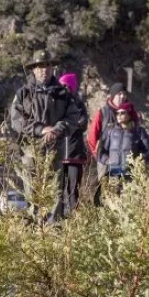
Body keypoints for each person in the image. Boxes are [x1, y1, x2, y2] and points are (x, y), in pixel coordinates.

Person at [9, 50, 81, 220]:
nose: (44, 69)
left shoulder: (63, 93)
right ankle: (35, 226)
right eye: (40, 66)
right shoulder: (23, 93)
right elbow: (16, 120)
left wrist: (56, 129)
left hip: (56, 148)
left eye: (48, 65)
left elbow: (73, 117)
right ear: (34, 68)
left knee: (55, 188)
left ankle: (53, 227)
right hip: (31, 150)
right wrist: (41, 130)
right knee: (32, 189)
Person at [97, 102, 149, 188]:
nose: (119, 115)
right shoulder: (111, 131)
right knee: (112, 199)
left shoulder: (139, 131)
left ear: (130, 115)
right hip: (113, 173)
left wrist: (138, 161)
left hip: (130, 175)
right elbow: (101, 151)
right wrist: (107, 160)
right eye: (117, 113)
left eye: (122, 113)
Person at [57, 72, 88, 215]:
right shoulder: (56, 102)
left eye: (66, 85)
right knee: (57, 189)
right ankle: (57, 218)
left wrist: (67, 124)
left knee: (73, 189)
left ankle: (74, 221)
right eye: (61, 85)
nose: (63, 88)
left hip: (75, 153)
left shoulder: (79, 104)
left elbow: (83, 123)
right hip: (58, 152)